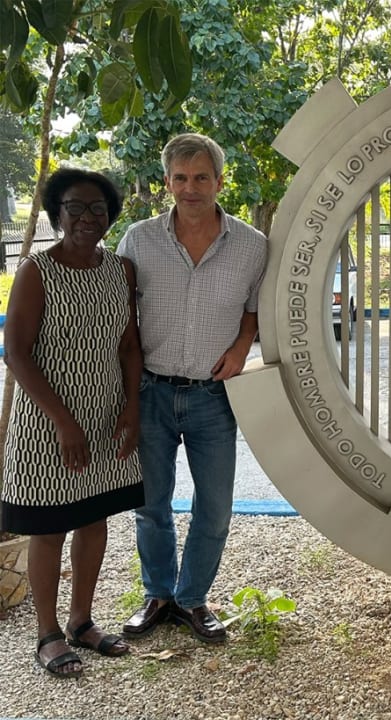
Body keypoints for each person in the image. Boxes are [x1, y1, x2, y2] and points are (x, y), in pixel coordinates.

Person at [117, 133, 267, 644]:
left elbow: (254, 310)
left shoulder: (251, 245)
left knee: (216, 508)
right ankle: (158, 594)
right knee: (150, 504)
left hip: (212, 397)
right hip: (152, 393)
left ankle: (192, 599)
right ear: (167, 183)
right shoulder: (138, 240)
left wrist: (245, 344)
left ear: (220, 181)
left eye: (201, 177)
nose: (191, 188)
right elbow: (120, 316)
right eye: (180, 178)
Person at [0, 168, 144, 677]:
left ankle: (82, 621)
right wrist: (63, 421)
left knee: (94, 519)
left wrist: (131, 408)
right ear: (56, 214)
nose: (88, 218)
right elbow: (15, 353)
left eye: (98, 209)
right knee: (49, 527)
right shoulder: (37, 271)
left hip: (105, 415)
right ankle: (48, 634)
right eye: (76, 208)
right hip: (47, 423)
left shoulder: (120, 270)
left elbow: (129, 345)